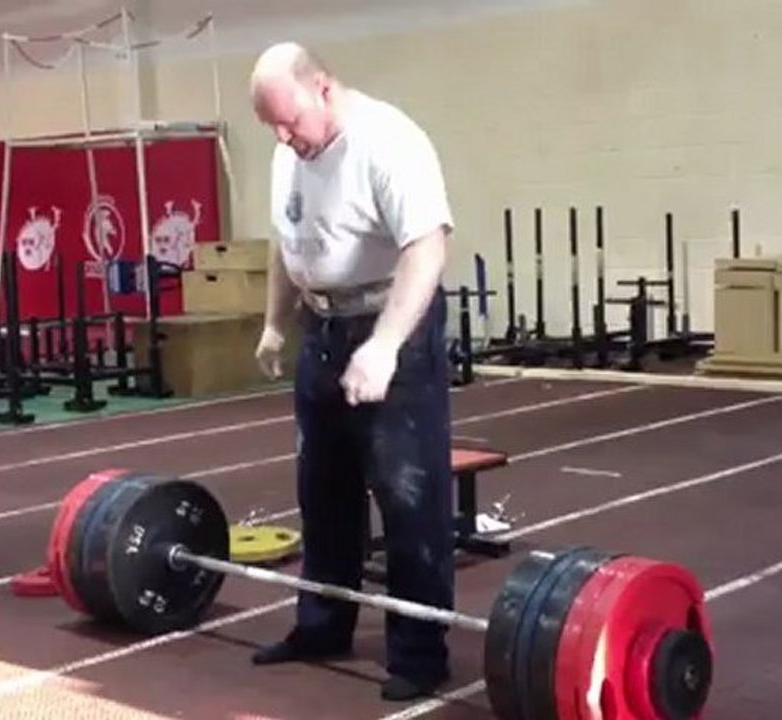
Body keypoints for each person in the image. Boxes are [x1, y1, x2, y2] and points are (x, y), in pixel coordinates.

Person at [247, 42, 455, 702]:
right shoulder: (290, 152)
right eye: (272, 126)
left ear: (325, 88)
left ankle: (421, 653)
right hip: (323, 331)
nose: (284, 137)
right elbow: (287, 244)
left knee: (408, 498)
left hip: (391, 328)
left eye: (291, 121)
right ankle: (322, 625)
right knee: (324, 492)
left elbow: (428, 246)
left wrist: (387, 344)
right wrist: (277, 323)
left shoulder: (389, 141)